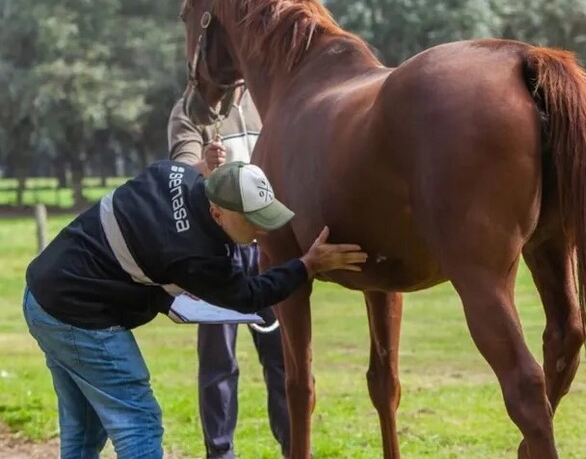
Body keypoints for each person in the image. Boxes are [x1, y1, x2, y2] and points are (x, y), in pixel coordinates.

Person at [23, 160, 367, 459]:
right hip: (76, 314)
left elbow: (151, 232)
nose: (263, 229)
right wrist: (308, 264)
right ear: (217, 212)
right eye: (252, 221)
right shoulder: (198, 254)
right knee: (139, 422)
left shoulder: (173, 172)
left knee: (84, 429)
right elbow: (250, 295)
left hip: (42, 294)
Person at [167, 90, 290, 458]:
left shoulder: (269, 99)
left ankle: (295, 446)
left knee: (283, 357)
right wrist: (205, 165)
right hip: (217, 250)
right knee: (219, 361)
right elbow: (181, 175)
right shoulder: (191, 110)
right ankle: (220, 454)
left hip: (268, 242)